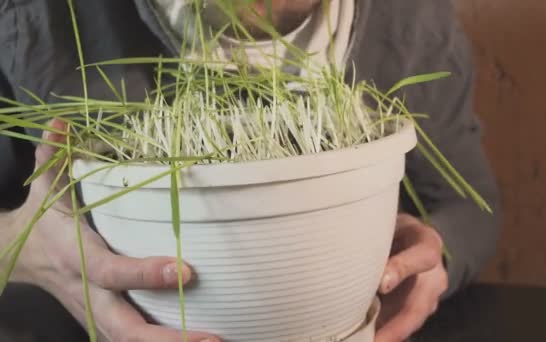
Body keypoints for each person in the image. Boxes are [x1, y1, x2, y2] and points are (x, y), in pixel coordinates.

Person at [0, 0, 501, 341]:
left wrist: (429, 258)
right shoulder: (38, 15)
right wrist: (25, 251)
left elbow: (468, 205)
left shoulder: (409, 20)